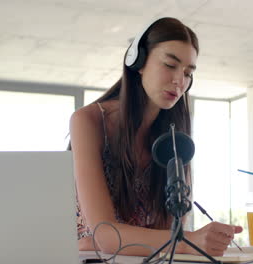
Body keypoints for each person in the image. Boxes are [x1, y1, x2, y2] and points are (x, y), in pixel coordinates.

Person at [69, 17, 243, 257]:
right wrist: (188, 242)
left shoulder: (174, 135)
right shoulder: (88, 121)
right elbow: (106, 235)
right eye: (170, 65)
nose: (179, 81)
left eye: (188, 73)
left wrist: (107, 241)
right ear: (138, 62)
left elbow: (171, 230)